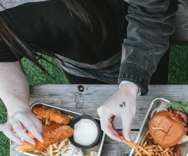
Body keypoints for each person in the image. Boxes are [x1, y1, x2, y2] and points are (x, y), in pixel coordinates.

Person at [0, 0, 176, 145]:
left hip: (139, 50)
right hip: (77, 66)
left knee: (154, 117)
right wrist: (16, 106)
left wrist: (131, 83)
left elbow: (150, 13)